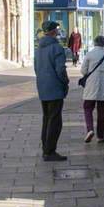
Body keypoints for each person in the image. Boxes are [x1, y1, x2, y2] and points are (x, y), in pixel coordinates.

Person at [34, 20, 69, 161]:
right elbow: (60, 70)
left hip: (42, 87)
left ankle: (46, 149)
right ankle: (50, 151)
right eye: (57, 30)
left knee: (46, 118)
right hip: (54, 88)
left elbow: (36, 68)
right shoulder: (57, 48)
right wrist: (65, 82)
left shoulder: (38, 48)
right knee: (55, 120)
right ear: (54, 31)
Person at [79, 34, 104, 143]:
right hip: (103, 87)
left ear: (94, 43)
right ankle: (100, 136)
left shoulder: (89, 55)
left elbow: (83, 71)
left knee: (87, 107)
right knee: (101, 111)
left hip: (91, 86)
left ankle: (90, 129)